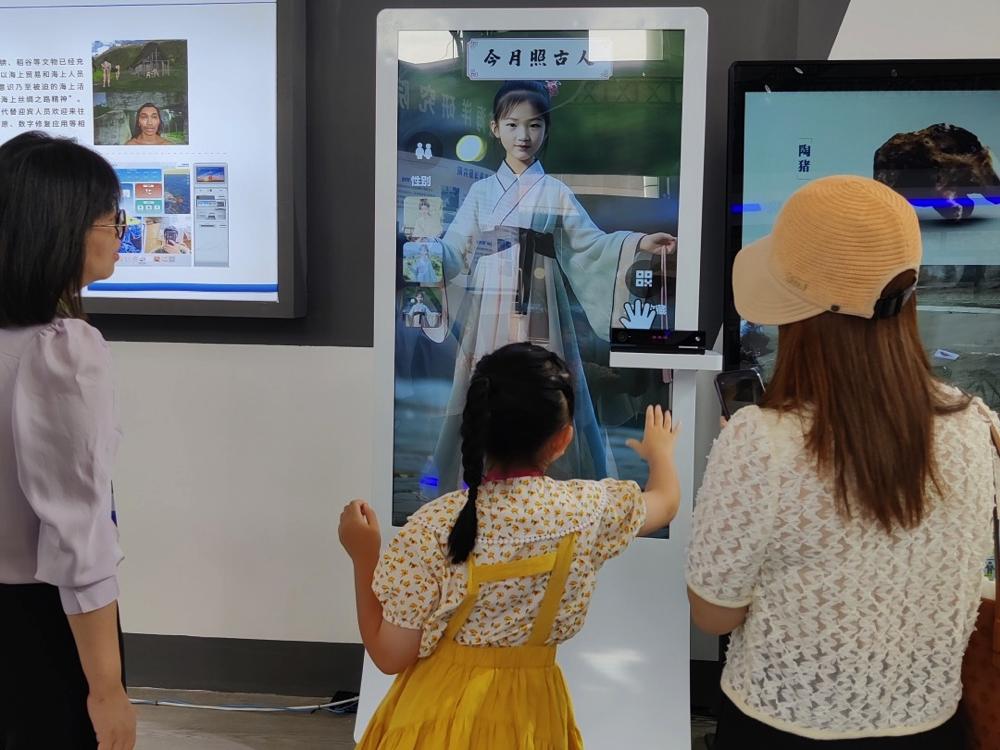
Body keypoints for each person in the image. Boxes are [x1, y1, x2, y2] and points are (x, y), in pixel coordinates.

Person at [686, 175, 995, 748]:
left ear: (798, 313)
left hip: (782, 725)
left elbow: (714, 614)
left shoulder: (761, 442)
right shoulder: (978, 425)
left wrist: (743, 486)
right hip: (935, 725)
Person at [339, 342, 681, 748]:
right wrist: (660, 454)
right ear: (564, 438)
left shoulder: (433, 527)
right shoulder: (588, 510)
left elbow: (389, 656)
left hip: (439, 717)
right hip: (534, 714)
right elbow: (665, 502)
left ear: (475, 427)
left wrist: (364, 556)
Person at [431, 80, 677, 493]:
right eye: (512, 125)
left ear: (546, 129)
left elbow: (591, 245)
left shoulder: (555, 191)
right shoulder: (480, 192)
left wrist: (638, 243)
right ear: (494, 128)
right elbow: (454, 251)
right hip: (491, 304)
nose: (523, 136)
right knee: (490, 387)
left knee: (542, 392)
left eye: (534, 125)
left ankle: (547, 483)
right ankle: (481, 481)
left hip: (540, 301)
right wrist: (426, 253)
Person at [0, 132, 136, 748]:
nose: (119, 235)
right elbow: (77, 535)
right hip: (36, 625)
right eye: (111, 220)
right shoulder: (61, 352)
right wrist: (106, 689)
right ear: (60, 229)